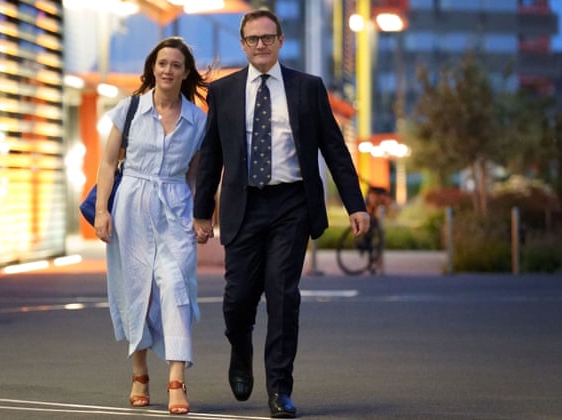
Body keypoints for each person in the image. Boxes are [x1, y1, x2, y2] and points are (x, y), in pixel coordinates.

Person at [193, 9, 371, 419]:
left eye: (267, 38)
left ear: (280, 41)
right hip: (243, 206)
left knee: (283, 297)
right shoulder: (224, 92)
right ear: (242, 44)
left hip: (291, 205)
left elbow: (334, 148)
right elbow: (211, 157)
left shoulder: (308, 88)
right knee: (237, 301)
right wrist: (203, 213)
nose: (260, 45)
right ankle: (241, 348)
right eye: (253, 39)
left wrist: (355, 204)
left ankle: (279, 389)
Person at [93, 37, 208, 415]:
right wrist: (102, 211)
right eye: (162, 63)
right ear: (152, 68)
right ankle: (139, 373)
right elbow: (108, 164)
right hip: (131, 205)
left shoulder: (197, 121)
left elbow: (197, 176)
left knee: (177, 287)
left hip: (175, 207)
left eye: (176, 64)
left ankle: (177, 379)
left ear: (186, 72)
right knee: (137, 290)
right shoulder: (128, 110)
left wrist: (202, 216)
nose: (168, 70)